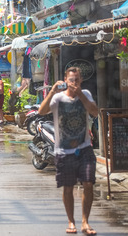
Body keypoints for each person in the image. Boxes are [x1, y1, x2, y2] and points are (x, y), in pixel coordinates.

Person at [38, 67, 98, 235]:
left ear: (81, 81)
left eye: (77, 80)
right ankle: (71, 221)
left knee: (88, 183)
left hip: (84, 147)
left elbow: (94, 111)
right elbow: (41, 111)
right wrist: (51, 92)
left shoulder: (85, 94)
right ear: (65, 80)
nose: (74, 83)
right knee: (68, 187)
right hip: (64, 151)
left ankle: (85, 222)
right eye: (71, 80)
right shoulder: (57, 98)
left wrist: (80, 94)